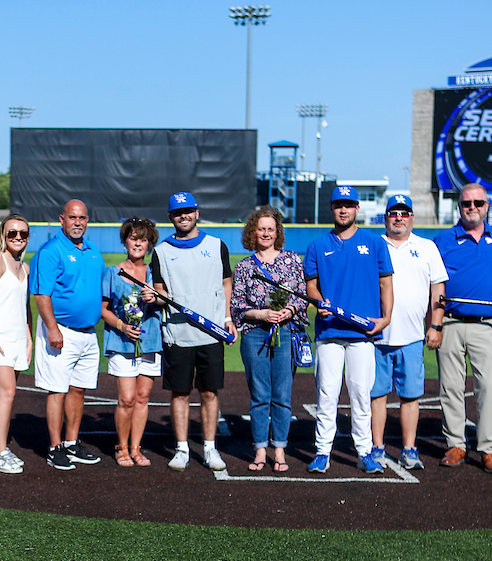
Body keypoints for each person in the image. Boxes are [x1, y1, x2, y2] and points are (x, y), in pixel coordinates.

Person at [303, 185, 393, 474]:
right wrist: (318, 302)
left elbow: (385, 283)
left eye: (349, 205)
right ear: (331, 209)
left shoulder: (375, 243)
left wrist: (386, 317)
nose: (344, 209)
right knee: (327, 394)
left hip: (362, 334)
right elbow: (311, 286)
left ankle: (364, 452)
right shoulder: (317, 246)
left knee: (360, 395)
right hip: (329, 332)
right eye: (338, 205)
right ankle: (322, 452)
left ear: (357, 209)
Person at [151, 191, 236, 472]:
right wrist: (155, 297)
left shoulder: (216, 245)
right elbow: (162, 292)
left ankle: (210, 448)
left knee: (210, 392)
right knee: (180, 393)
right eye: (178, 212)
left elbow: (226, 283)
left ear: (197, 212)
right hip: (177, 334)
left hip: (211, 332)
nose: (183, 216)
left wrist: (226, 317)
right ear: (170, 217)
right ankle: (182, 448)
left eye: (188, 210)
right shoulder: (161, 251)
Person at [433, 184, 492, 474]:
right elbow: (435, 286)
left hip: (485, 325)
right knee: (450, 387)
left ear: (487, 205)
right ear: (459, 206)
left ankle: (489, 449)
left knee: (489, 387)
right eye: (467, 203)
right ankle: (456, 445)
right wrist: (435, 324)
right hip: (451, 322)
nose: (472, 207)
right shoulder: (443, 240)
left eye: (478, 202)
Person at [368, 194, 447, 470]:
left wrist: (435, 325)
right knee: (376, 395)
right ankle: (377, 447)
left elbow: (438, 290)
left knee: (410, 396)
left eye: (404, 213)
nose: (398, 217)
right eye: (393, 213)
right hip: (376, 336)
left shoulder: (426, 247)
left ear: (411, 217)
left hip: (412, 336)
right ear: (386, 216)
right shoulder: (373, 245)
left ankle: (409, 449)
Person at [230, 206, 307, 472]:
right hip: (255, 333)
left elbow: (301, 295)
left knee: (282, 394)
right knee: (260, 394)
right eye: (261, 228)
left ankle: (280, 450)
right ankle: (260, 450)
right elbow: (237, 305)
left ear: (277, 232)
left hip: (285, 331)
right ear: (253, 231)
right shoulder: (244, 266)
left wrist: (289, 310)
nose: (266, 233)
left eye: (270, 229)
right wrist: (261, 314)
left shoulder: (292, 260)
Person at [30, 199, 104, 470]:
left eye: (82, 218)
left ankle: (72, 443)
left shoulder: (93, 250)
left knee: (78, 389)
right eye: (73, 217)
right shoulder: (51, 250)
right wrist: (52, 327)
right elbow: (41, 293)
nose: (78, 222)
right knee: (57, 391)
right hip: (61, 331)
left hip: (87, 333)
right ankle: (54, 447)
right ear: (62, 218)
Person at [101, 218, 162, 467]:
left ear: (149, 244)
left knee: (143, 396)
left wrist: (156, 296)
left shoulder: (155, 274)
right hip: (121, 341)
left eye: (143, 239)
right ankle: (121, 446)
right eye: (133, 237)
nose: (138, 243)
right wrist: (122, 326)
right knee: (126, 398)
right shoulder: (112, 273)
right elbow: (103, 310)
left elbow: (166, 300)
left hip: (150, 340)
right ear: (125, 241)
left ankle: (136, 448)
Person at [0, 214, 32, 474]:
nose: (18, 237)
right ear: (3, 234)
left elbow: (25, 308)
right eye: (12, 233)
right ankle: (0, 453)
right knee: (8, 392)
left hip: (17, 339)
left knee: (1, 395)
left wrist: (29, 338)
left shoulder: (25, 266)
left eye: (23, 233)